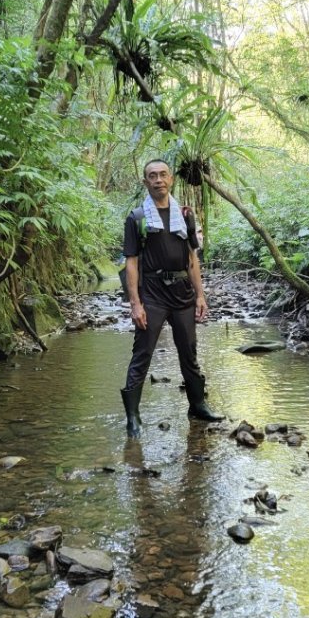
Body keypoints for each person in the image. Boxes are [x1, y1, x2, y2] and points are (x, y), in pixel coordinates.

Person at [120, 158, 223, 437]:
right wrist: (135, 303)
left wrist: (200, 295)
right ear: (145, 182)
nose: (158, 180)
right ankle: (133, 416)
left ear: (171, 179)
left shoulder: (185, 215)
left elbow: (192, 258)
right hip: (152, 295)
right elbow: (131, 261)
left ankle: (198, 405)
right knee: (142, 354)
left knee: (189, 352)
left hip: (182, 295)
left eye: (163, 174)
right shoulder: (137, 218)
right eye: (152, 176)